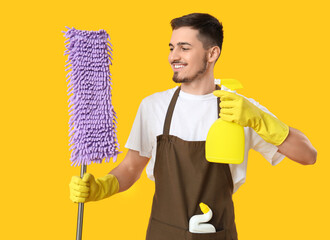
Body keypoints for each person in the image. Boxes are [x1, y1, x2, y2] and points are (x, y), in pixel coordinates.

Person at [69, 13, 317, 240]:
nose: (173, 56)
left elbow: (308, 155)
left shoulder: (240, 109)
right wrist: (101, 187)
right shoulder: (153, 106)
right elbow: (131, 167)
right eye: (171, 47)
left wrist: (260, 120)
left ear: (212, 54)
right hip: (162, 234)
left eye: (184, 48)